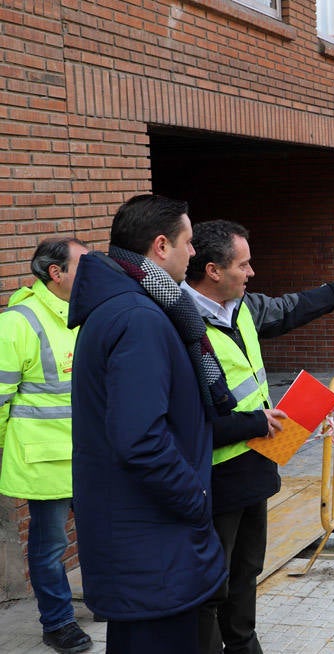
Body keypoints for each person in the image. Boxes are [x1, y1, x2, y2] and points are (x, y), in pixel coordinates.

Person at [182, 220, 334, 654]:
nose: (251, 273)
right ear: (212, 269)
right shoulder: (178, 322)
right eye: (243, 265)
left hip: (257, 462)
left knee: (246, 569)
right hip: (213, 474)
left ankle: (243, 644)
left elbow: (291, 307)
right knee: (212, 580)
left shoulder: (243, 306)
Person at [67, 194, 232, 653]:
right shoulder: (139, 317)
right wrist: (195, 497)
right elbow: (139, 439)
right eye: (188, 241)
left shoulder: (135, 306)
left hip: (143, 539)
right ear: (161, 246)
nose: (194, 252)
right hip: (150, 541)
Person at [0, 238, 92, 654]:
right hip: (45, 460)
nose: (93, 274)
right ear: (56, 273)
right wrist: (10, 449)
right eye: (83, 266)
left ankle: (104, 599)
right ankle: (57, 623)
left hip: (90, 455)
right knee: (50, 546)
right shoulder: (18, 322)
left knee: (98, 535)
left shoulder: (84, 314)